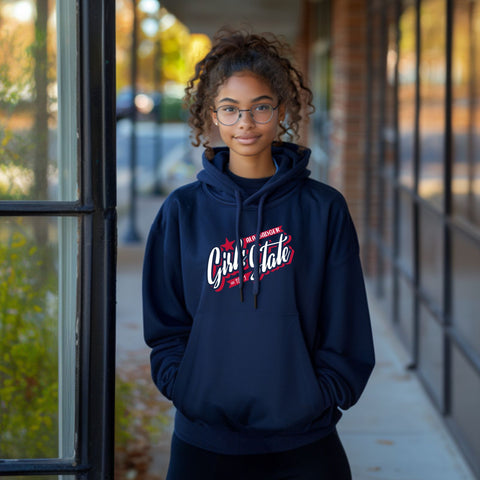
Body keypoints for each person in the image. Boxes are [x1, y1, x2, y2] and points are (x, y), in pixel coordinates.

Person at [143, 29, 375, 480]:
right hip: (203, 440)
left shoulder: (323, 209)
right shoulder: (182, 210)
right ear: (212, 115)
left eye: (260, 107)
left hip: (304, 441)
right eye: (230, 109)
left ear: (281, 111)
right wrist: (186, 387)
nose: (245, 123)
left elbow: (345, 320)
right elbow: (166, 320)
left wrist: (319, 394)